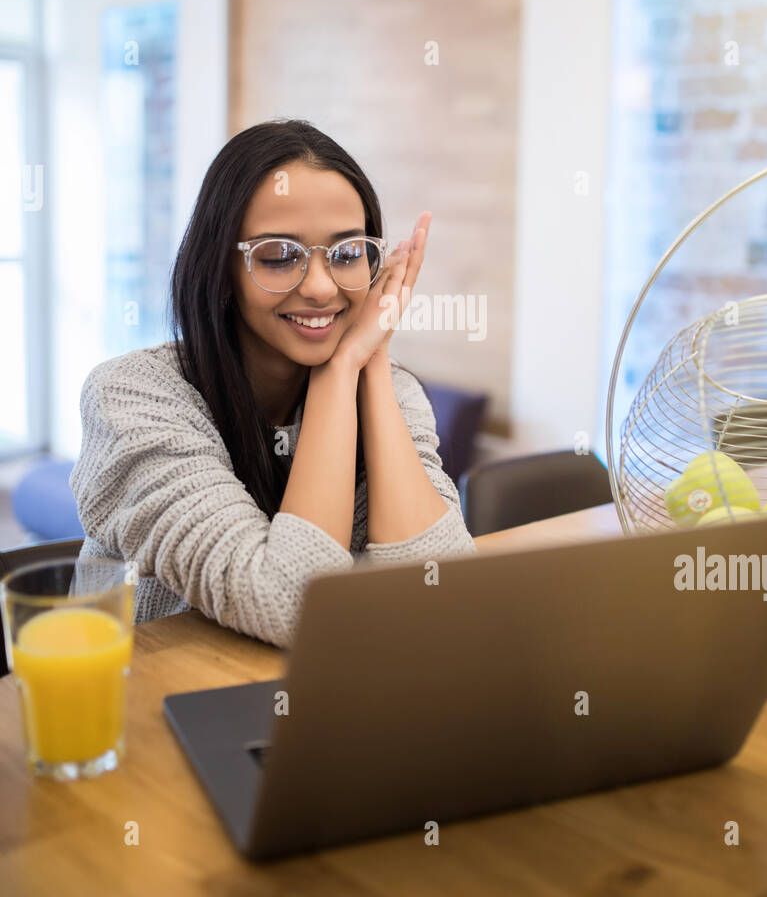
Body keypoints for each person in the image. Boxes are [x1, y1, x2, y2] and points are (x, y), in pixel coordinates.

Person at [69, 119, 477, 646]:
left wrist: (366, 361)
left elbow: (442, 590)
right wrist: (339, 371)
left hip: (314, 701)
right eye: (279, 256)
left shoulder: (393, 391)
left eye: (348, 254)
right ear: (221, 271)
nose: (320, 286)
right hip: (149, 706)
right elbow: (289, 603)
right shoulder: (131, 395)